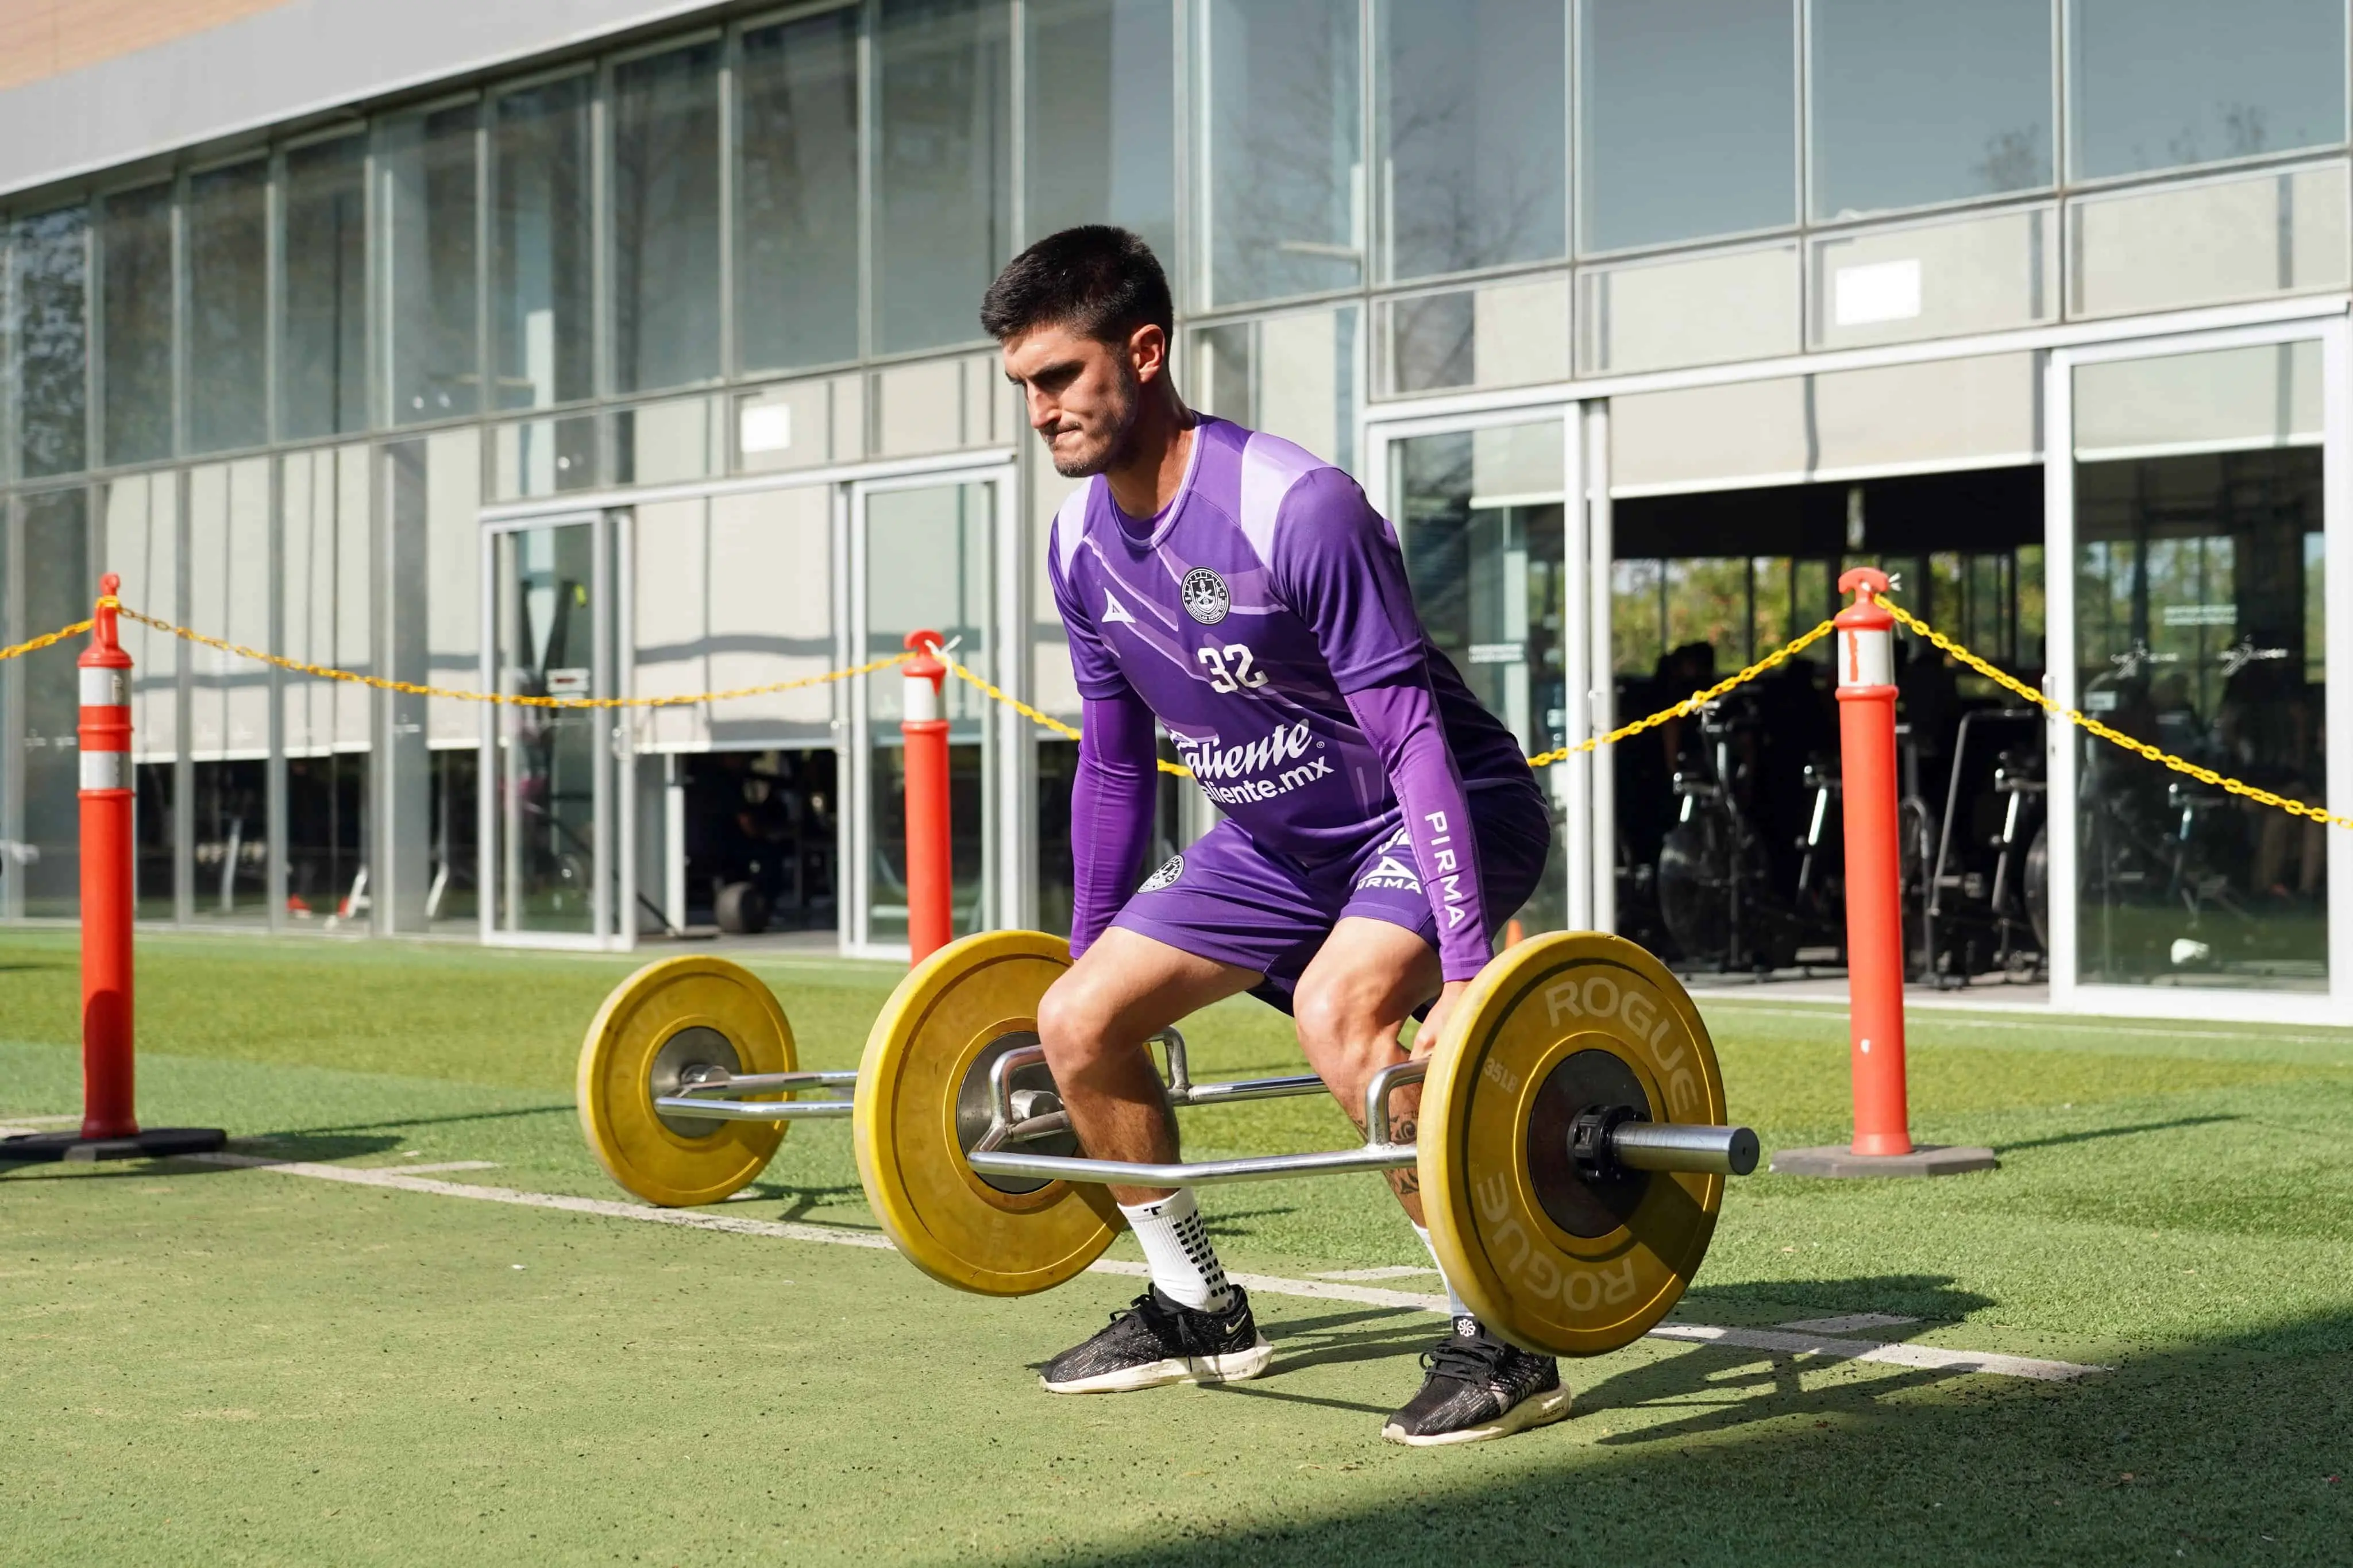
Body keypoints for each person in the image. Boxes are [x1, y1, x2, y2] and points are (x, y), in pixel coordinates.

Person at [984, 226, 1563, 1446]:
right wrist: (1086, 954)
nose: (1037, 412)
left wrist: (1465, 972)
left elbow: (1412, 741)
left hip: (1440, 810)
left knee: (1341, 1017)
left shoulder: (1297, 508)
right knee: (1075, 1023)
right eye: (1021, 388)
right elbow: (1109, 761)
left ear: (1143, 353)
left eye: (1056, 379)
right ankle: (1197, 1305)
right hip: (1275, 841)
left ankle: (1500, 1333)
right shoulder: (1077, 546)